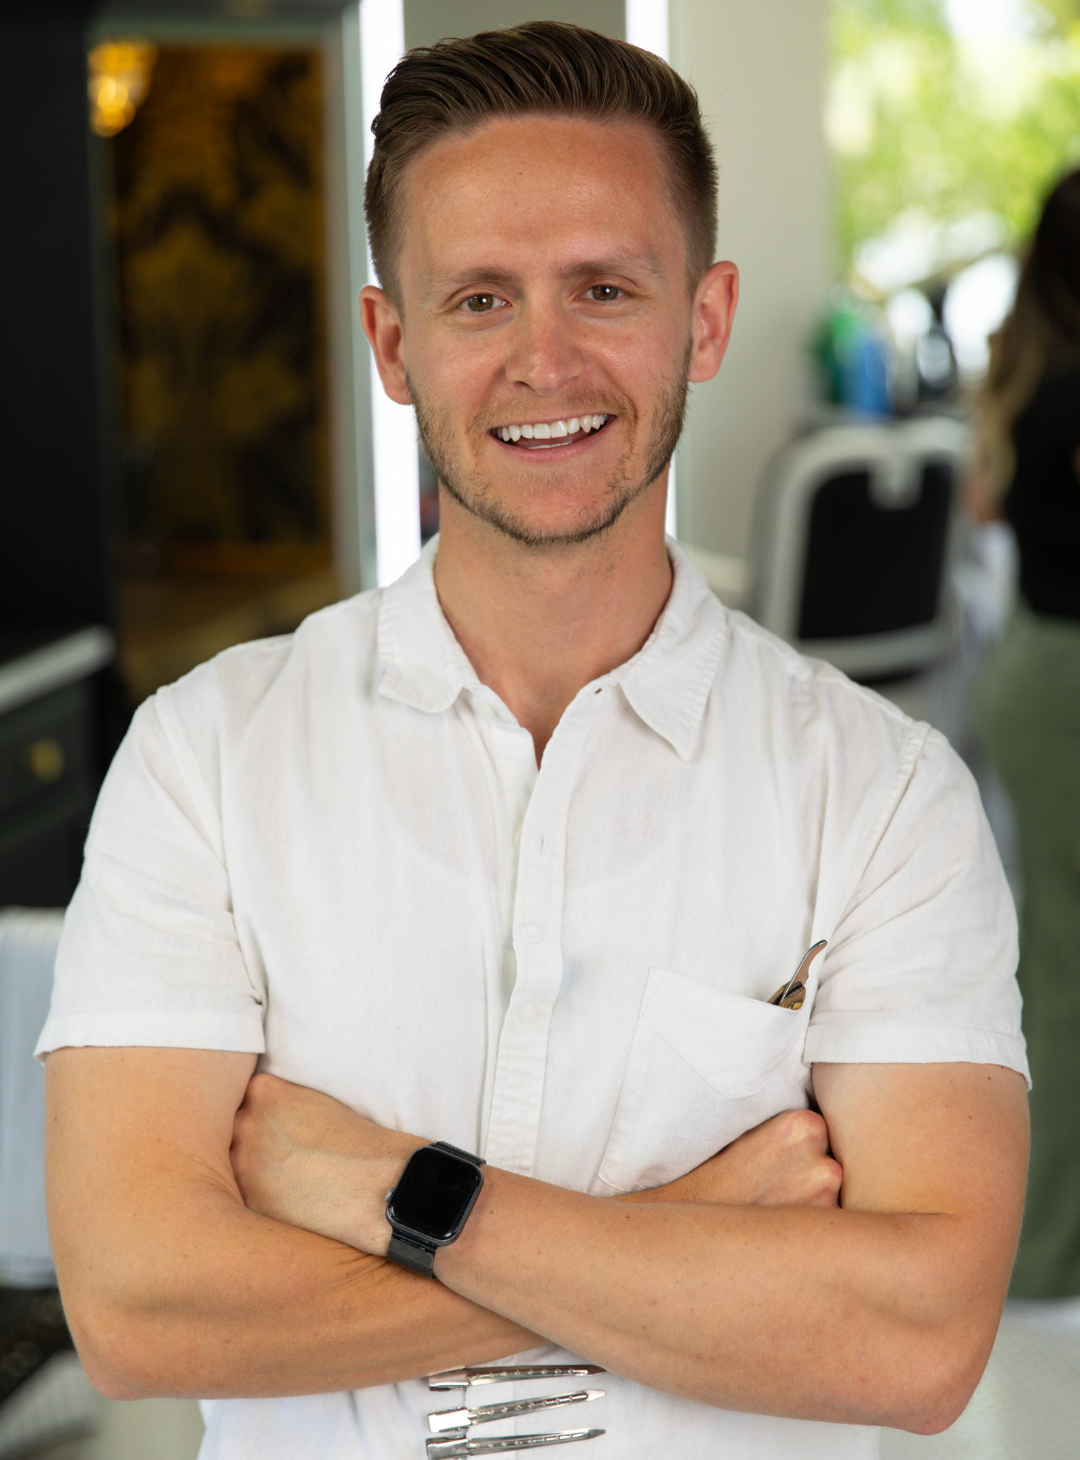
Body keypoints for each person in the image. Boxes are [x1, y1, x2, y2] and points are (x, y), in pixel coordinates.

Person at [39, 23, 1028, 1460]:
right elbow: (138, 1308)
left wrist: (392, 1191)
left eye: (606, 289)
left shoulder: (881, 797)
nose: (543, 359)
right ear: (394, 342)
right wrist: (684, 1240)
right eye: (481, 298)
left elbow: (918, 1339)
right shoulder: (204, 759)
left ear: (705, 317)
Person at [970, 166, 1080, 1301]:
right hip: (1062, 685)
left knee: (1063, 958)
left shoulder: (1036, 371)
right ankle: (1046, 1248)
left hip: (1042, 672)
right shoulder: (1067, 388)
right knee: (1062, 971)